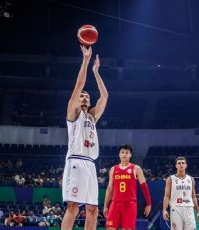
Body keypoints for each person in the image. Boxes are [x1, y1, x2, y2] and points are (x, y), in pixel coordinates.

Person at [61, 45, 108, 230]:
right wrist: (86, 60)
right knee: (73, 207)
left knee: (93, 211)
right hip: (75, 162)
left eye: (86, 96)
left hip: (90, 164)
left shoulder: (92, 116)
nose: (84, 97)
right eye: (81, 96)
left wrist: (96, 72)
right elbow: (79, 85)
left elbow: (104, 96)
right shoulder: (73, 113)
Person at [103, 144, 152, 230]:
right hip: (115, 203)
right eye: (122, 152)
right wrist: (106, 205)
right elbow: (110, 189)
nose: (124, 154)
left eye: (127, 152)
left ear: (130, 155)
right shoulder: (113, 169)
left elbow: (144, 187)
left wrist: (148, 204)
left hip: (130, 204)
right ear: (119, 154)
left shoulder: (136, 168)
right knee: (110, 228)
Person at [163, 156, 199, 230]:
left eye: (183, 163)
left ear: (186, 165)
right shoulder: (170, 179)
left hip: (189, 208)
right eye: (179, 163)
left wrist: (198, 212)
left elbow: (193, 196)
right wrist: (164, 210)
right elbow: (166, 196)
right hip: (176, 208)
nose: (181, 165)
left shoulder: (191, 179)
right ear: (176, 165)